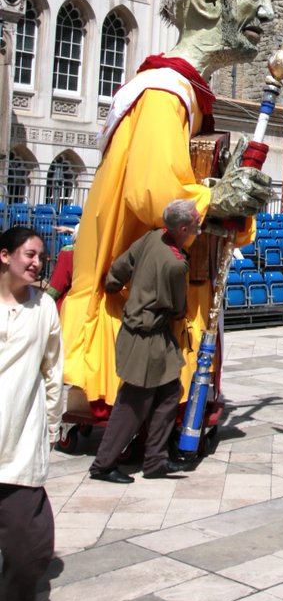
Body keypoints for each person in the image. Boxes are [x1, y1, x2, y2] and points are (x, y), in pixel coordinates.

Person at [60, 0, 273, 412]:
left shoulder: (185, 95)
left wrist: (230, 197)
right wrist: (219, 198)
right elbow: (154, 196)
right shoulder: (163, 92)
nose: (265, 11)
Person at [89, 201, 202, 483]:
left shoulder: (152, 235)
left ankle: (155, 460)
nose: (200, 224)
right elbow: (178, 307)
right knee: (133, 402)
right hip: (146, 336)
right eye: (196, 221)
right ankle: (103, 465)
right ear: (184, 228)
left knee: (169, 393)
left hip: (153, 336)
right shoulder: (176, 263)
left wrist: (115, 284)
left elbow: (121, 266)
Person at [0, 227, 63, 601]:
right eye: (29, 254)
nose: (36, 263)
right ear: (5, 255)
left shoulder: (45, 308)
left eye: (40, 256)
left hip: (20, 437)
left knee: (27, 541)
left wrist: (53, 421)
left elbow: (53, 368)